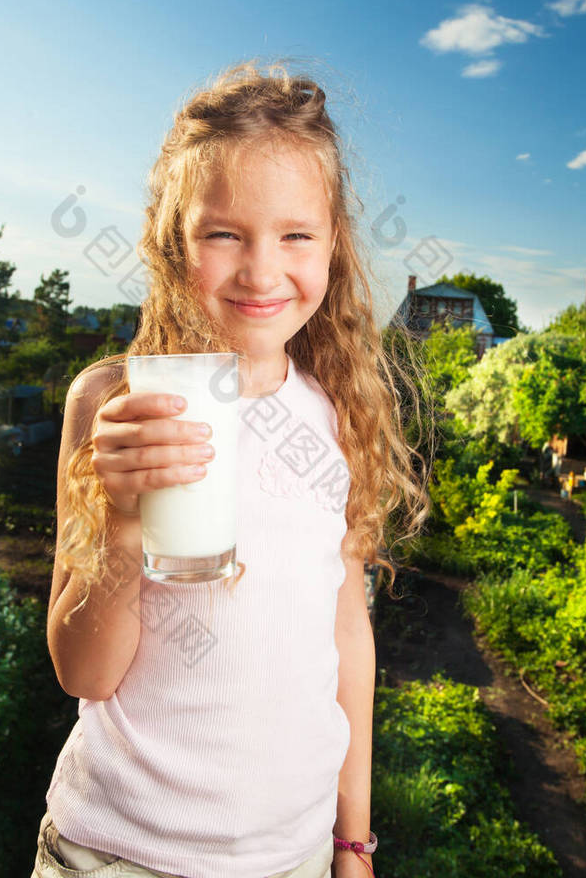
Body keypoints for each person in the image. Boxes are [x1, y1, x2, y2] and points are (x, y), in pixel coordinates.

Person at [31, 58, 431, 878]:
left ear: (333, 248)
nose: (260, 270)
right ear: (172, 243)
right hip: (117, 855)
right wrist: (124, 522)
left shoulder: (337, 415)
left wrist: (352, 841)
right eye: (223, 233)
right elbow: (84, 672)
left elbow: (347, 641)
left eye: (295, 235)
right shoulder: (114, 402)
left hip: (294, 858)